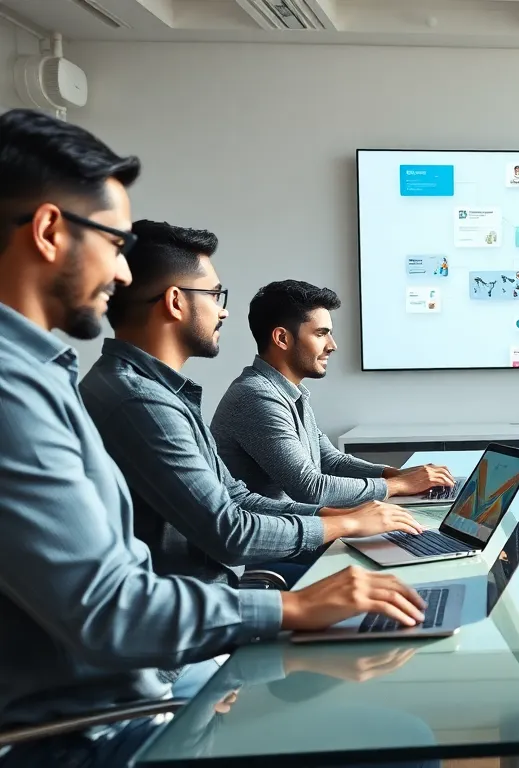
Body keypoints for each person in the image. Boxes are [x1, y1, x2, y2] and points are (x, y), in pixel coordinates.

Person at [0, 108, 425, 767]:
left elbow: (218, 512)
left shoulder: (52, 376)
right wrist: (288, 608)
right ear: (51, 231)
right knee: (403, 739)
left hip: (147, 683)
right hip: (106, 729)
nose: (122, 274)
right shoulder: (31, 392)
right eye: (114, 244)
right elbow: (113, 604)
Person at [80, 220, 426, 589]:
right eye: (215, 295)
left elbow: (237, 497)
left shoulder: (160, 392)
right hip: (203, 598)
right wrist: (351, 518)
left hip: (215, 586)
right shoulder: (142, 401)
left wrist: (339, 514)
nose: (223, 311)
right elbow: (231, 532)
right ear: (176, 301)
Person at [211, 280, 453, 508]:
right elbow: (310, 488)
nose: (332, 345)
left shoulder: (288, 393)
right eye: (320, 333)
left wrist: (395, 474)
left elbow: (331, 462)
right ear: (282, 338)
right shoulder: (256, 397)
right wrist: (398, 485)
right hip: (271, 536)